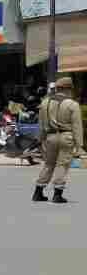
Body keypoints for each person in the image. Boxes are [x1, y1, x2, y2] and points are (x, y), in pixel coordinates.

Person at [34, 76, 84, 204]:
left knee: (48, 164)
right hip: (66, 137)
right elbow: (77, 127)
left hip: (50, 137)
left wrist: (40, 140)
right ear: (68, 89)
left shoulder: (45, 103)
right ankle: (57, 194)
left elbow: (41, 124)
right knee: (62, 165)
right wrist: (79, 146)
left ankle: (38, 191)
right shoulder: (72, 104)